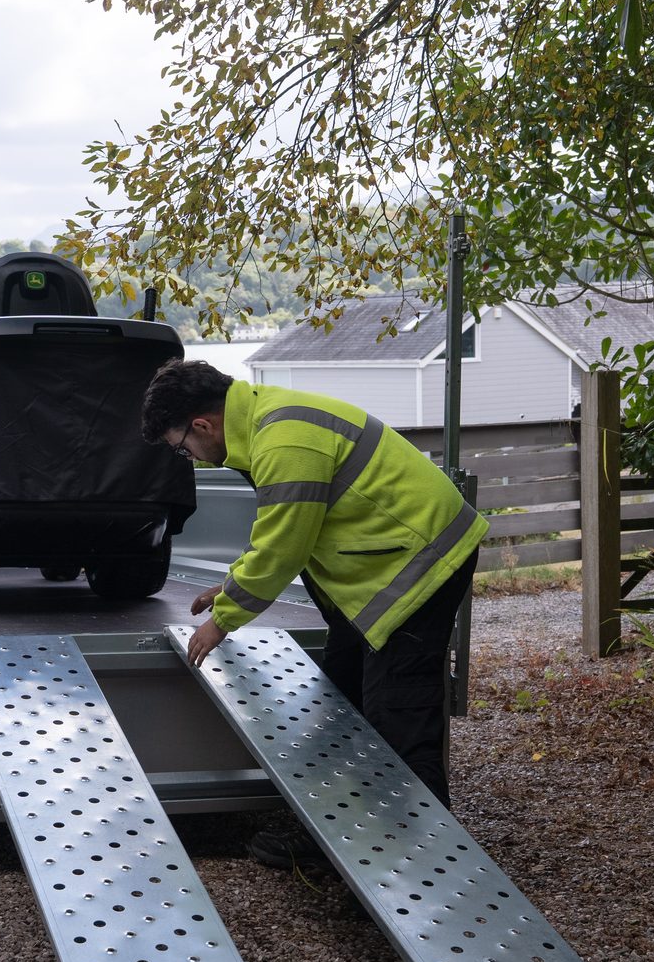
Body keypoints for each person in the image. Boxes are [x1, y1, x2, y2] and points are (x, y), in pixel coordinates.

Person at [141, 359, 488, 869]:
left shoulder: (284, 439)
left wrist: (225, 618)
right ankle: (342, 830)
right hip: (384, 565)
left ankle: (424, 857)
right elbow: (283, 530)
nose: (187, 458)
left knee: (398, 708)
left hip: (420, 561)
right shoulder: (266, 421)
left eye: (181, 448)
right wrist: (233, 584)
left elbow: (284, 544)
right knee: (343, 692)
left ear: (202, 425)